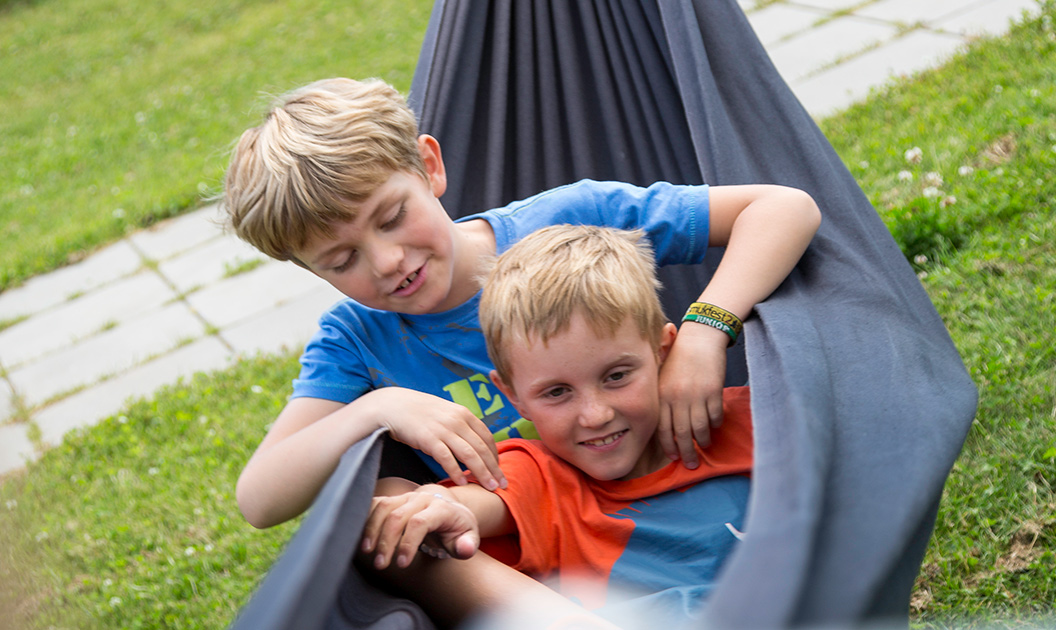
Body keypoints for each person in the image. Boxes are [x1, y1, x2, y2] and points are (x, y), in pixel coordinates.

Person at [222, 77, 819, 529]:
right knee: (392, 508)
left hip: (680, 486)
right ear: (308, 268)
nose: (387, 262)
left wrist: (703, 331)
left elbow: (783, 209)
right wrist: (376, 408)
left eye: (392, 217)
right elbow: (260, 499)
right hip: (539, 548)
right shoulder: (357, 341)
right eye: (341, 260)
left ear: (429, 166)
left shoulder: (569, 221)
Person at [362, 225, 754, 626]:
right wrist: (446, 506)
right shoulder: (541, 477)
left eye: (616, 376)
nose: (595, 415)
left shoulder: (746, 420)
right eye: (557, 393)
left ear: (663, 351)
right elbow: (478, 502)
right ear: (513, 396)